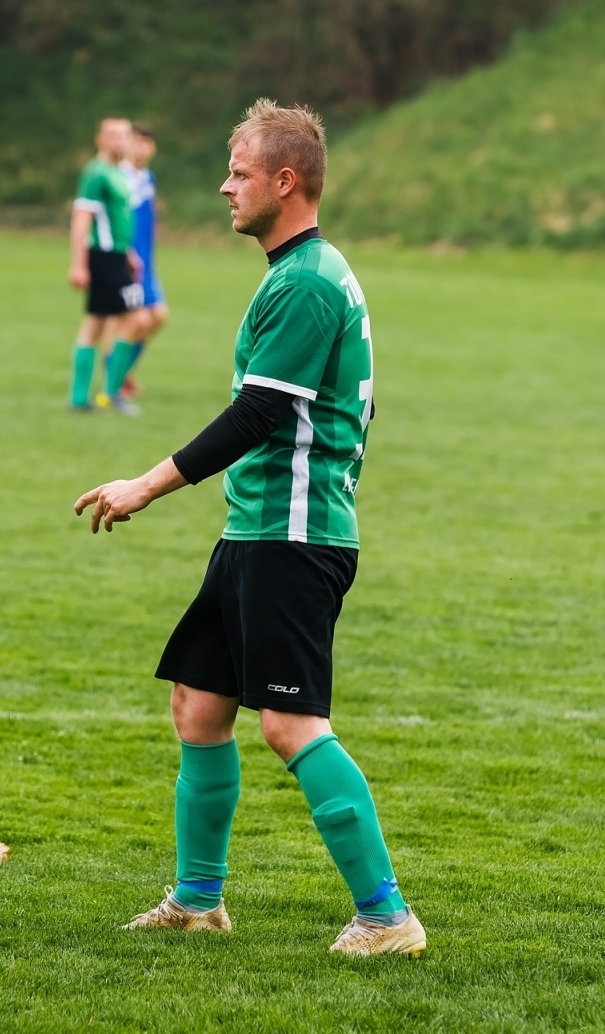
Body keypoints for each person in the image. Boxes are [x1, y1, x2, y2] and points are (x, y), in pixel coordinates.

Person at [73, 99, 425, 956]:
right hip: (259, 529)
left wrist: (147, 483)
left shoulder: (305, 281)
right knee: (199, 707)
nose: (224, 185)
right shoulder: (297, 270)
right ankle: (198, 902)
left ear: (284, 180)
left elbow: (258, 413)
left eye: (238, 171)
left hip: (295, 536)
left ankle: (387, 916)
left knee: (290, 726)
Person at [67, 116, 143, 415]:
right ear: (99, 139)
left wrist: (128, 254)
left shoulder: (118, 172)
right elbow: (82, 218)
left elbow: (117, 220)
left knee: (100, 322)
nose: (118, 141)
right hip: (101, 257)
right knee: (130, 317)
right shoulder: (96, 173)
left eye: (123, 135)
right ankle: (109, 393)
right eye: (112, 135)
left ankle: (84, 397)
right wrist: (78, 264)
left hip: (116, 257)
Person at [111, 124, 168, 401]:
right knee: (133, 320)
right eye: (136, 141)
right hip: (126, 261)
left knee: (158, 317)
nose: (141, 147)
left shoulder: (148, 177)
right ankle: (114, 380)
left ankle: (121, 372)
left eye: (147, 142)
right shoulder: (119, 177)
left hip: (146, 261)